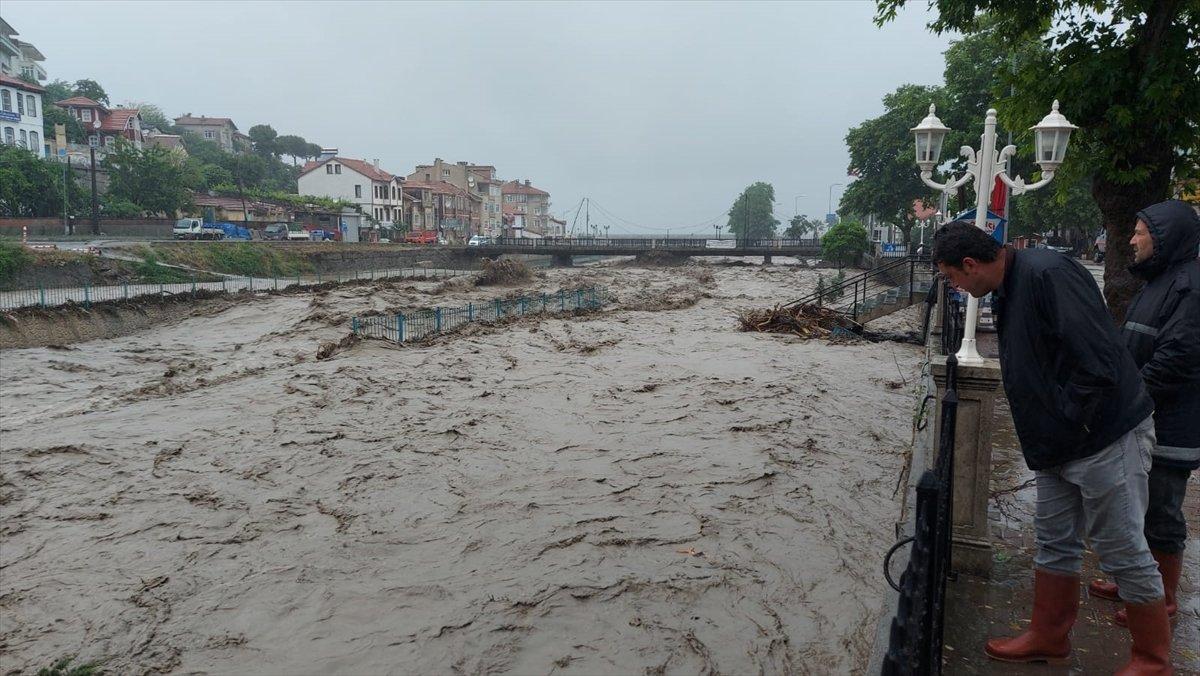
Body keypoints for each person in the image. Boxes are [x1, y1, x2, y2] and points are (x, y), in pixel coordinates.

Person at [931, 222, 1172, 674]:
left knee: (1122, 549)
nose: (955, 288)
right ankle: (1049, 636)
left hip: (1103, 435)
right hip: (1058, 441)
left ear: (970, 264)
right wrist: (1053, 429)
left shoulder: (1048, 274)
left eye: (952, 278)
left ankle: (1152, 660)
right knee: (1054, 539)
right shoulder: (1009, 283)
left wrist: (1069, 417)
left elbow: (1098, 360)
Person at [1088, 200, 1200, 628]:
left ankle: (1162, 597)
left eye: (1140, 233)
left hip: (1170, 426)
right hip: (1143, 417)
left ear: (1164, 238)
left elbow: (1176, 359)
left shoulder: (1188, 288)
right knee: (1136, 504)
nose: (1132, 240)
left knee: (1162, 511)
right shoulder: (1157, 281)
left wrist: (1129, 397)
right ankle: (1135, 582)